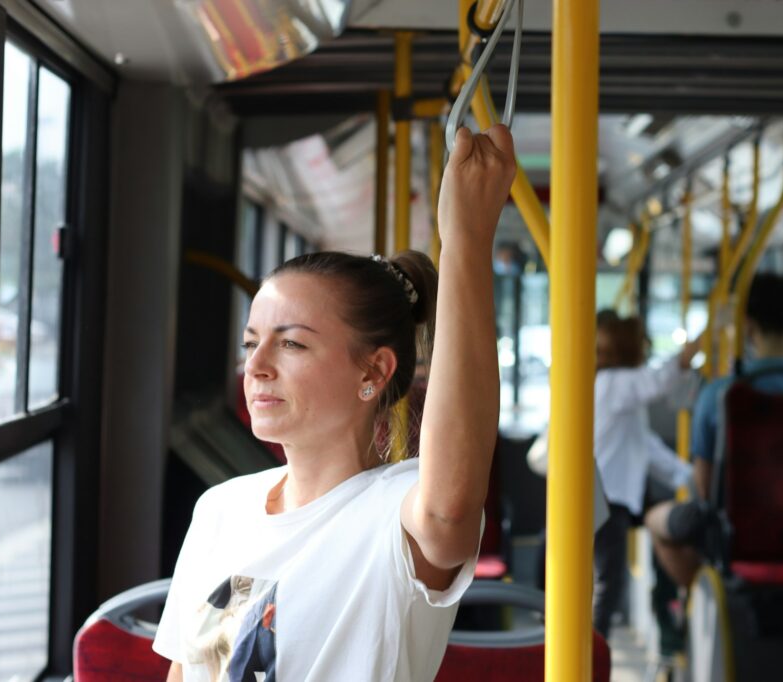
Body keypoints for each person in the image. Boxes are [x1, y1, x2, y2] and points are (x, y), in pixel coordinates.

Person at [153, 125, 516, 682]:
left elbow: (449, 506)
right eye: (251, 343)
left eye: (292, 343)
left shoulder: (397, 514)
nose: (256, 366)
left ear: (373, 371)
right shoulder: (220, 510)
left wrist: (465, 238)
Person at [645, 272, 783, 587]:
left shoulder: (721, 395)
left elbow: (706, 486)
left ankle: (703, 605)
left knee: (655, 520)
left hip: (740, 529)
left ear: (748, 327)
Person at [591, 311, 697, 638]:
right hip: (609, 494)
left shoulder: (613, 388)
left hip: (618, 491)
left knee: (612, 575)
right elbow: (656, 382)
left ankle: (664, 611)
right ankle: (595, 656)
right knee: (608, 582)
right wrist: (686, 357)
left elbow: (644, 445)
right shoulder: (614, 384)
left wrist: (685, 475)